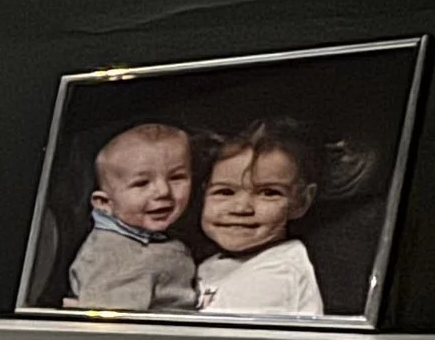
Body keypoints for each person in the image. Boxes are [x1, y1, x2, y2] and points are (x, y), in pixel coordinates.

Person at [193, 120, 326, 316]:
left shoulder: (276, 273)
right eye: (225, 192)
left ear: (301, 201)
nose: (241, 208)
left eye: (269, 193)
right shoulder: (222, 263)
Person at [65, 121, 197, 311]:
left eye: (176, 177)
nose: (163, 191)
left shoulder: (153, 240)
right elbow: (112, 329)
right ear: (105, 203)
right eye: (141, 183)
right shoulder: (113, 255)